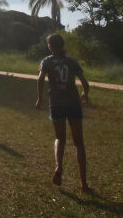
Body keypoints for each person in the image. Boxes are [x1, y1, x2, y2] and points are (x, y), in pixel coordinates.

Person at [35, 33, 93, 192]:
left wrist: (40, 98)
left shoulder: (47, 61)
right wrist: (85, 95)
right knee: (79, 142)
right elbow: (85, 83)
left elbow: (40, 79)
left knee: (60, 137)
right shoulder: (72, 62)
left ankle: (59, 167)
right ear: (63, 45)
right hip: (73, 103)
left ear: (50, 46)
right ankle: (84, 183)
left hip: (56, 103)